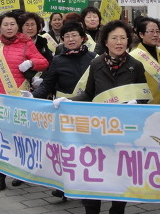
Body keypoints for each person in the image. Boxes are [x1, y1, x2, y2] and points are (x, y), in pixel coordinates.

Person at [55, 20, 149, 214]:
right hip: (98, 131)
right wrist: (69, 101)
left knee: (120, 174)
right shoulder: (96, 64)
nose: (119, 42)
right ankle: (92, 208)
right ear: (105, 41)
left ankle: (117, 209)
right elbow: (88, 94)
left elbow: (144, 95)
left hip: (123, 132)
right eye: (114, 38)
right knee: (94, 173)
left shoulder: (136, 66)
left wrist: (137, 102)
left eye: (123, 38)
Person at [0, 11, 50, 191]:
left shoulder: (26, 43)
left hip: (19, 99)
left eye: (12, 24)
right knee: (3, 138)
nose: (9, 28)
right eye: (5, 24)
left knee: (19, 138)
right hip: (1, 100)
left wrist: (31, 63)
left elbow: (43, 62)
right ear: (0, 27)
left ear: (18, 26)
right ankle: (0, 175)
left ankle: (19, 173)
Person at [33, 21, 96, 201]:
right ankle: (63, 186)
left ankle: (86, 186)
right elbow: (46, 85)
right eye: (66, 36)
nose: (70, 39)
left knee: (86, 150)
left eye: (74, 35)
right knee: (65, 150)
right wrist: (31, 98)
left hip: (87, 112)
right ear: (62, 40)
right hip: (64, 113)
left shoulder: (94, 58)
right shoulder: (57, 60)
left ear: (82, 38)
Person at [129, 17, 160, 104]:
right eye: (151, 31)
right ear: (141, 34)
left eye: (157, 31)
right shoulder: (133, 57)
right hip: (145, 106)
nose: (155, 35)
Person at [19, 12, 53, 87]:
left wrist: (42, 78)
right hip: (22, 82)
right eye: (27, 25)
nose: (30, 28)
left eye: (32, 25)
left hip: (41, 82)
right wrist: (32, 77)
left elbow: (49, 62)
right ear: (21, 27)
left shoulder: (42, 41)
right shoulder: (17, 42)